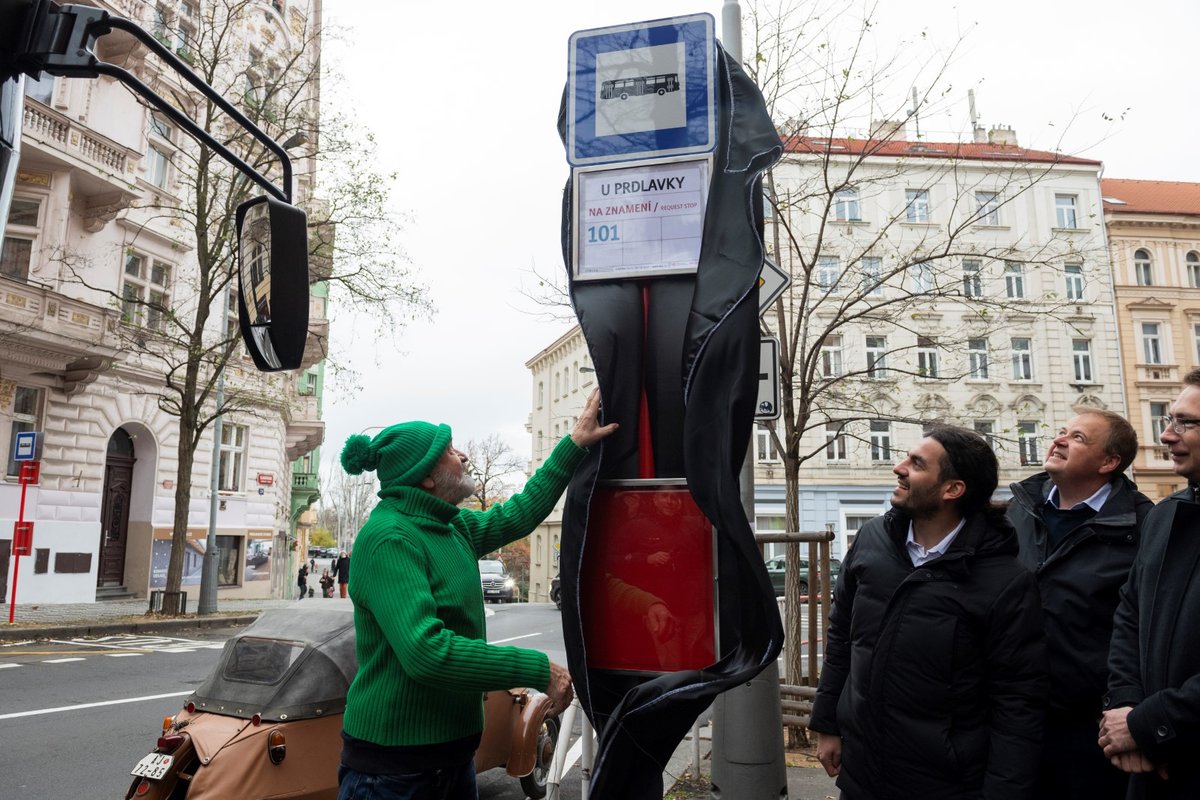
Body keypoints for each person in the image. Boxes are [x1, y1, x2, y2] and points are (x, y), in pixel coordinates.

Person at [335, 389, 617, 800]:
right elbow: (427, 653)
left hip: (452, 760)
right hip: (393, 774)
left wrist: (573, 443)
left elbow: (518, 513)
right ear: (427, 476)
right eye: (449, 450)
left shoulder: (452, 527)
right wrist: (539, 669)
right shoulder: (389, 539)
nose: (463, 455)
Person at [810, 425, 1047, 799]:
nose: (898, 467)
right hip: (863, 773)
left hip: (944, 783)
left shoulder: (1005, 581)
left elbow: (1017, 701)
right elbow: (842, 637)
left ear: (952, 489)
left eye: (917, 464)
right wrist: (828, 726)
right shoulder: (871, 540)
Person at [1006, 408, 1150, 800]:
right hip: (1012, 715)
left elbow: (1144, 630)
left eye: (1078, 438)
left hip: (1090, 730)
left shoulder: (1142, 527)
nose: (1059, 440)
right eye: (1062, 431)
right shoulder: (1021, 508)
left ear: (1109, 462)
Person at [1101, 368, 1200, 797]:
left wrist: (1147, 724)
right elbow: (1130, 615)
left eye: (1185, 422)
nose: (1166, 435)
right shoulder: (1166, 515)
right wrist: (1125, 708)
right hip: (1153, 763)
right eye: (1168, 420)